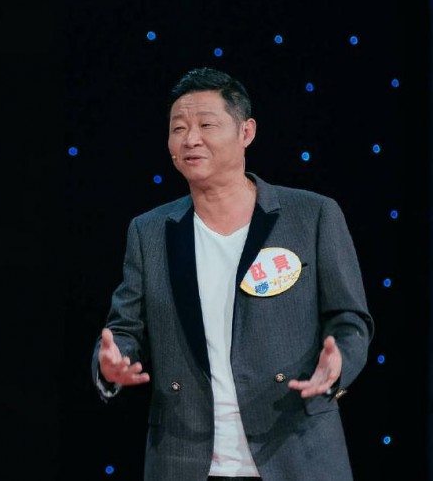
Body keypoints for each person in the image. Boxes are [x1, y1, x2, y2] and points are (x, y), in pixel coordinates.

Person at [91, 66, 374, 481]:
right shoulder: (149, 231)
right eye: (178, 128)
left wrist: (338, 365)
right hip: (184, 460)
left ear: (246, 132)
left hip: (297, 453)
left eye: (206, 125)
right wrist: (112, 363)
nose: (190, 139)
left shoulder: (311, 216)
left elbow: (350, 320)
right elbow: (125, 329)